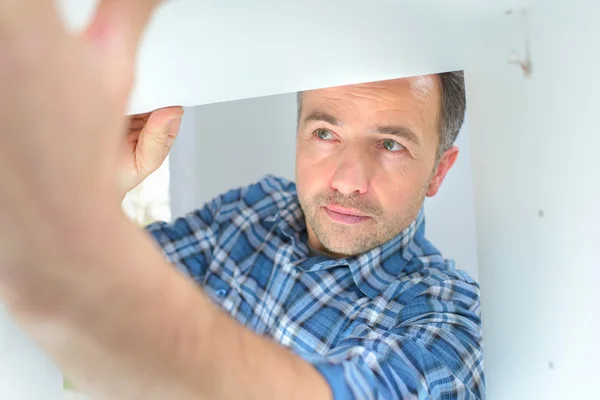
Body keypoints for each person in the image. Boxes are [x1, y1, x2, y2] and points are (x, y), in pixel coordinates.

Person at [0, 1, 483, 400]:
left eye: (390, 144)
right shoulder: (255, 211)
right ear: (298, 135)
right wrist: (100, 186)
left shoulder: (448, 324)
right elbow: (96, 292)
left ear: (439, 170)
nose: (350, 179)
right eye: (325, 133)